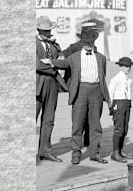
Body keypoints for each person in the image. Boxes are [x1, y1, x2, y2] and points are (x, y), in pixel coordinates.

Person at [45, 22, 111, 164]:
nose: (88, 44)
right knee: (77, 123)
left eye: (90, 42)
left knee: (95, 125)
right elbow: (63, 64)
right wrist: (50, 61)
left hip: (96, 92)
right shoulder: (74, 57)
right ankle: (76, 152)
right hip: (80, 91)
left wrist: (101, 91)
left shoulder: (101, 58)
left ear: (94, 42)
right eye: (86, 42)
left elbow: (102, 75)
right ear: (82, 42)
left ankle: (95, 152)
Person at [36, 16, 67, 162]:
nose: (48, 33)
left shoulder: (55, 45)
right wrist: (53, 69)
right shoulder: (33, 43)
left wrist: (52, 63)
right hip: (37, 85)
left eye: (49, 31)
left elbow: (63, 62)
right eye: (46, 31)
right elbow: (36, 65)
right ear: (39, 30)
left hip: (52, 85)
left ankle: (45, 151)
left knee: (49, 119)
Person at [108, 56, 133, 163]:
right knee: (119, 128)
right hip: (118, 103)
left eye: (129, 66)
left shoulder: (126, 78)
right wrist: (111, 107)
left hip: (126, 103)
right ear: (120, 67)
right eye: (125, 66)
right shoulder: (116, 78)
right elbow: (110, 92)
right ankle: (115, 152)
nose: (128, 68)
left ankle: (120, 150)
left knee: (125, 128)